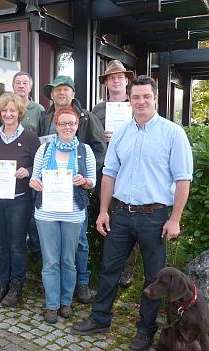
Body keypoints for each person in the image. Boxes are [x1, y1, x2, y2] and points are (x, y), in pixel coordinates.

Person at [71, 76, 193, 351]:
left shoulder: (173, 134)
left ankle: (145, 331)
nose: (140, 102)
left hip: (155, 217)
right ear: (129, 99)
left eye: (145, 96)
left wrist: (175, 219)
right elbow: (110, 174)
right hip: (121, 214)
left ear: (155, 98)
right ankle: (100, 318)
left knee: (153, 277)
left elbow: (183, 179)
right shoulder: (122, 133)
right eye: (135, 97)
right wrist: (103, 210)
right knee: (110, 269)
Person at [40, 75, 106, 304]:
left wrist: (85, 175)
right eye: (57, 90)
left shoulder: (86, 117)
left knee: (79, 243)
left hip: (75, 196)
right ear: (51, 94)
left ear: (73, 93)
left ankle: (82, 283)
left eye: (65, 89)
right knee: (53, 248)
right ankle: (54, 286)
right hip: (50, 196)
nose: (61, 93)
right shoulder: (45, 116)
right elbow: (40, 148)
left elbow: (99, 149)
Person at [30, 106, 96, 324]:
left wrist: (85, 182)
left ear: (77, 125)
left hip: (73, 213)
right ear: (55, 126)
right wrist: (34, 182)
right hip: (46, 213)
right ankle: (52, 304)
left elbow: (93, 181)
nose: (67, 127)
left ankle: (66, 301)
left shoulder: (84, 150)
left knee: (68, 260)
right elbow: (34, 177)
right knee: (50, 261)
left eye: (72, 123)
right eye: (62, 123)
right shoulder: (44, 149)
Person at [0, 93, 40, 307]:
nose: (8, 114)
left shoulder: (30, 138)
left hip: (19, 200)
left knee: (16, 245)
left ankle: (17, 285)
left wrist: (29, 170)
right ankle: (1, 283)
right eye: (4, 110)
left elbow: (40, 167)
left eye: (12, 110)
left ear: (19, 113)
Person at [92, 59, 138, 288]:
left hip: (131, 171)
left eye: (120, 77)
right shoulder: (98, 110)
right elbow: (90, 139)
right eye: (111, 78)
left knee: (130, 220)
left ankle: (127, 269)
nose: (116, 80)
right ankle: (107, 264)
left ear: (127, 80)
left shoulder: (136, 106)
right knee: (105, 216)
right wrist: (103, 137)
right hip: (105, 173)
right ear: (106, 83)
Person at [12, 71, 45, 260]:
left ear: (30, 87)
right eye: (18, 82)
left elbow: (41, 139)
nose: (21, 86)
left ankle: (36, 251)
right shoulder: (8, 106)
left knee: (33, 210)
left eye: (25, 83)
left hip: (32, 168)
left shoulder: (38, 109)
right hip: (11, 170)